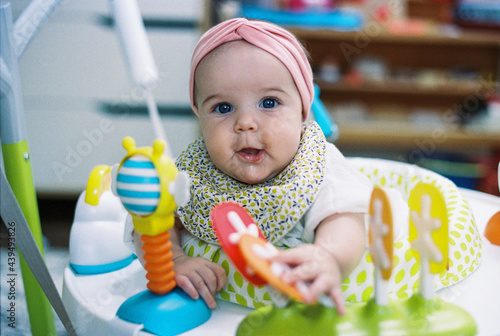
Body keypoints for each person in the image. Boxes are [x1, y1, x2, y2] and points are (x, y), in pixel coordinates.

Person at [131, 17, 372, 314]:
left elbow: (345, 218)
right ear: (199, 115)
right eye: (223, 108)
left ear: (302, 111)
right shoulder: (192, 174)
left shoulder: (318, 168)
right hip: (219, 311)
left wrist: (329, 257)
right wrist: (174, 261)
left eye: (269, 103)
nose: (245, 123)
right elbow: (151, 223)